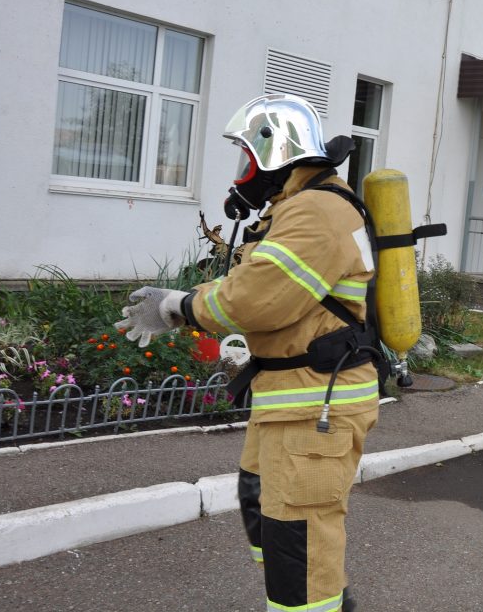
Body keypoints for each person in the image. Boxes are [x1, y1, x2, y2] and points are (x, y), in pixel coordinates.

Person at [116, 93, 379, 612]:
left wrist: (179, 306)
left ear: (274, 154)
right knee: (269, 520)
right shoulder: (301, 206)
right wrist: (191, 301)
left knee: (300, 549)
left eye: (247, 158)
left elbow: (256, 299)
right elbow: (258, 283)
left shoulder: (316, 211)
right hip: (292, 399)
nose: (243, 172)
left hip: (315, 404)